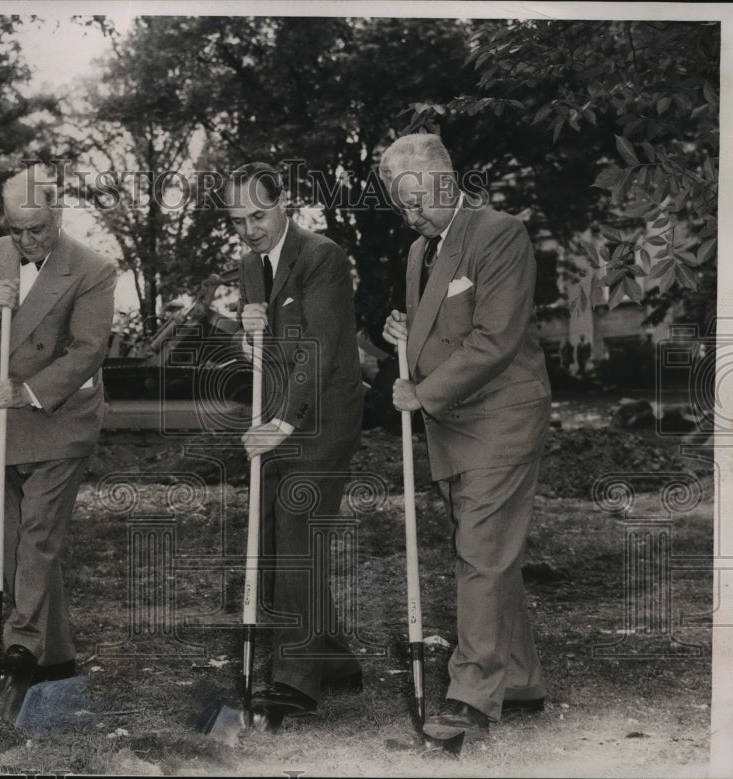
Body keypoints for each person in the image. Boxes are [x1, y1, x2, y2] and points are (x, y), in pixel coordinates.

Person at [379, 134, 551, 739]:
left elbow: (494, 338)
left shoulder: (499, 233)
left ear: (446, 182)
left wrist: (422, 394)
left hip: (501, 418)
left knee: (480, 551)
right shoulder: (418, 252)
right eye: (401, 206)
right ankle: (520, 678)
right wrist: (404, 331)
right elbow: (439, 329)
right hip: (454, 428)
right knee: (488, 552)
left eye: (417, 202)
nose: (410, 215)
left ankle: (471, 696)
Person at [0, 164, 117, 683]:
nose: (25, 241)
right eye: (15, 229)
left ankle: (20, 644)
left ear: (57, 213)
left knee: (38, 534)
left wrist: (26, 392)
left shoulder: (93, 268)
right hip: (5, 423)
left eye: (36, 229)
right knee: (15, 539)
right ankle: (55, 655)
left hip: (60, 417)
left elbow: (88, 350)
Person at [227, 162, 365, 722]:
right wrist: (247, 335)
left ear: (283, 202)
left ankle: (296, 678)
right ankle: (333, 658)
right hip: (277, 417)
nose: (249, 230)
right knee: (272, 538)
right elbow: (266, 353)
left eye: (258, 216)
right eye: (238, 220)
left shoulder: (321, 257)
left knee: (296, 532)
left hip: (323, 419)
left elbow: (319, 348)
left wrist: (283, 424)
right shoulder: (249, 265)